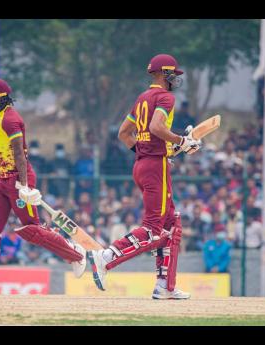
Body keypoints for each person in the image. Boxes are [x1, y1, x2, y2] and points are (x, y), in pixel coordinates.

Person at [0, 78, 86, 294]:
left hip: (16, 180)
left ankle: (75, 253)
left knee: (31, 229)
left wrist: (24, 186)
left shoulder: (10, 120)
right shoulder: (0, 118)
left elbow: (20, 155)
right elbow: (5, 150)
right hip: (2, 180)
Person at [89, 54, 201, 299]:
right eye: (174, 75)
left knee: (172, 224)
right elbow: (157, 128)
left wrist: (153, 150)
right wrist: (182, 141)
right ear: (165, 74)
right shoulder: (165, 97)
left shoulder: (142, 98)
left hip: (143, 164)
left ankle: (165, 286)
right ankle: (106, 256)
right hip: (154, 167)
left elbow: (124, 133)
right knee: (152, 228)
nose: (176, 80)